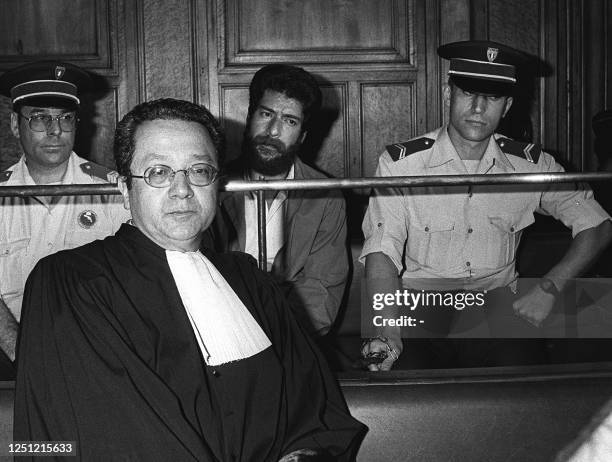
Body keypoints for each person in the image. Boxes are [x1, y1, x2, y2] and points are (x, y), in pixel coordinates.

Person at [14, 98, 365, 461]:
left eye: (198, 171)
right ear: (123, 187)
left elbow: (314, 409)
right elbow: (110, 436)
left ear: (217, 184)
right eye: (158, 173)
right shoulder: (69, 281)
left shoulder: (250, 281)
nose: (181, 189)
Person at [360, 41, 612, 370]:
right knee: (405, 390)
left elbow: (597, 225)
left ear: (506, 106)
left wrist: (549, 289)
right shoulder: (401, 164)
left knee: (525, 386)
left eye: (492, 97)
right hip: (419, 310)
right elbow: (381, 251)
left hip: (495, 311)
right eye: (468, 93)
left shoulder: (531, 165)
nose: (479, 108)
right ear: (448, 94)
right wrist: (386, 329)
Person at [0, 61, 129, 366]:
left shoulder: (111, 192)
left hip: (96, 355)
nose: (55, 130)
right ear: (15, 125)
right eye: (40, 118)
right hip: (9, 353)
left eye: (65, 118)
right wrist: (21, 352)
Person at [210, 64, 349, 337]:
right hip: (221, 333)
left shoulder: (325, 196)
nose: (273, 131)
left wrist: (275, 340)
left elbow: (320, 293)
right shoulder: (212, 186)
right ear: (250, 118)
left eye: (290, 121)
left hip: (290, 337)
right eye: (266, 114)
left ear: (303, 135)